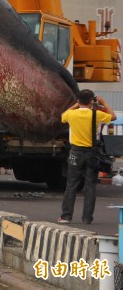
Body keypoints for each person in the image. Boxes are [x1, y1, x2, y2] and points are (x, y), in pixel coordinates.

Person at [58, 90, 116, 224]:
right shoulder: (96, 114)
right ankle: (87, 218)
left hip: (75, 152)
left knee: (71, 185)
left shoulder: (72, 114)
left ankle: (66, 216)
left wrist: (75, 105)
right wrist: (103, 102)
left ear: (78, 100)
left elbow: (62, 116)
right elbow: (113, 117)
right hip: (92, 153)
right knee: (90, 186)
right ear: (92, 101)